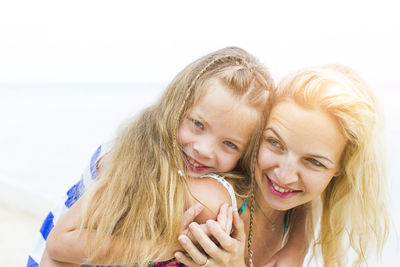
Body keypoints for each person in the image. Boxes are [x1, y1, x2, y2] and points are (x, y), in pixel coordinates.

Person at [29, 47, 308, 267]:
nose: (203, 149)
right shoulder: (138, 159)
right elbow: (59, 245)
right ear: (176, 107)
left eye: (229, 145)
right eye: (197, 125)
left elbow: (305, 193)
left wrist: (299, 240)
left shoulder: (218, 186)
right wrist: (168, 245)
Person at [174, 65, 390, 267]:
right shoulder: (208, 205)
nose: (283, 176)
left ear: (340, 170)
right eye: (274, 143)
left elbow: (311, 201)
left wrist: (299, 240)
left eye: (314, 162)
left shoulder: (292, 210)